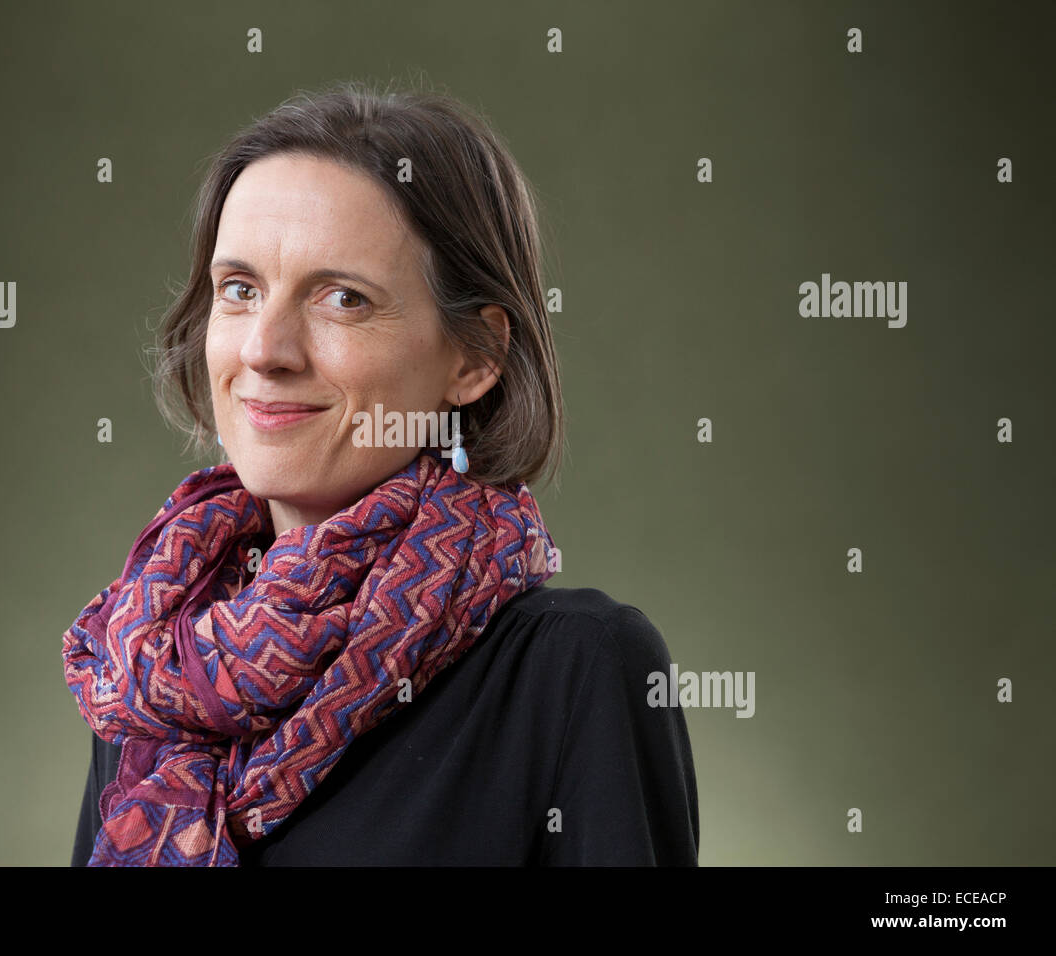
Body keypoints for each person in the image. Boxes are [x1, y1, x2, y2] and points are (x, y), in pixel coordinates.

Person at [61, 79, 698, 866]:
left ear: (476, 357)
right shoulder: (154, 663)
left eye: (343, 299)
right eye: (239, 289)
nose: (265, 348)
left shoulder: (575, 669)